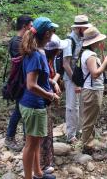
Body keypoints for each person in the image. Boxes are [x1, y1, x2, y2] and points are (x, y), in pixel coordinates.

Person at [19, 17, 59, 179]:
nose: (53, 35)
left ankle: (38, 173)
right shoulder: (35, 54)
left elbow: (39, 78)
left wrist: (51, 82)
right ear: (47, 34)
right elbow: (31, 84)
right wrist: (50, 95)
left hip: (34, 104)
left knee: (35, 143)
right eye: (52, 32)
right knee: (31, 144)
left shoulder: (36, 52)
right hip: (33, 105)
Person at [80, 26, 107, 154]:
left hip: (93, 89)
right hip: (92, 91)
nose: (100, 42)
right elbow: (95, 73)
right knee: (89, 119)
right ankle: (87, 146)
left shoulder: (89, 54)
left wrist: (103, 54)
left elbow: (102, 69)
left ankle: (90, 142)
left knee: (91, 117)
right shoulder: (90, 55)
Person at [40, 34, 68, 174]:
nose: (60, 51)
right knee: (42, 133)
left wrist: (53, 82)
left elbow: (49, 77)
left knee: (47, 131)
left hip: (46, 100)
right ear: (54, 50)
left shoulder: (48, 60)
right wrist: (51, 93)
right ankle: (41, 166)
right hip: (40, 101)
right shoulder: (42, 59)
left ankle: (46, 162)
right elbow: (36, 82)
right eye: (58, 49)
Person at [5, 15, 33, 152]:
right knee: (19, 110)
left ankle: (23, 137)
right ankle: (10, 137)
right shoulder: (16, 42)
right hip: (20, 81)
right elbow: (22, 60)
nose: (32, 28)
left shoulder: (20, 40)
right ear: (25, 26)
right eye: (30, 25)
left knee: (20, 110)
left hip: (23, 80)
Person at [62, 15, 92, 144]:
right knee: (71, 106)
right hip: (70, 79)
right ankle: (71, 135)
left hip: (79, 78)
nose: (86, 30)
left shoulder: (81, 39)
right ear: (79, 28)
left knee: (80, 105)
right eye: (85, 28)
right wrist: (75, 81)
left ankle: (78, 130)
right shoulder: (69, 41)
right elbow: (65, 64)